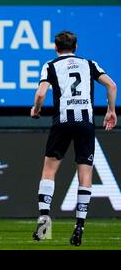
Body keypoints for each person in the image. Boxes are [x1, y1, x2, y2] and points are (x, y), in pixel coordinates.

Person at [31, 31, 117, 246]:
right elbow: (112, 85)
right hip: (85, 123)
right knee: (85, 174)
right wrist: (111, 110)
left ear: (55, 48)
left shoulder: (50, 65)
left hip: (62, 121)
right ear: (76, 47)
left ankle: (44, 223)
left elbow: (41, 93)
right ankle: (79, 226)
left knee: (49, 171)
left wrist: (36, 109)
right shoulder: (89, 64)